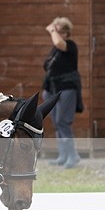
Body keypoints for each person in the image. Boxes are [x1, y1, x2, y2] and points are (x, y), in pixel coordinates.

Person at [43, 17, 82, 169]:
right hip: (52, 89)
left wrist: (52, 29)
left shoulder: (70, 46)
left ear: (65, 33)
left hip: (66, 89)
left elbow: (59, 43)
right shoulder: (55, 50)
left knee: (63, 122)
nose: (55, 34)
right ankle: (63, 155)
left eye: (58, 31)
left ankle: (73, 155)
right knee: (57, 123)